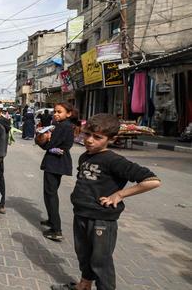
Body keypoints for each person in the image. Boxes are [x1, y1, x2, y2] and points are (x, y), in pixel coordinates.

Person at [51, 114, 161, 290]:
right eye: (87, 134)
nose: (89, 140)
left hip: (101, 220)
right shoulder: (85, 157)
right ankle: (84, 285)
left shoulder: (114, 160)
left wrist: (120, 195)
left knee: (100, 262)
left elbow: (152, 181)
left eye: (97, 137)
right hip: (81, 214)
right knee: (84, 255)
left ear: (112, 139)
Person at [36, 102, 78, 242]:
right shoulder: (63, 126)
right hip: (56, 162)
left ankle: (56, 229)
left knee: (50, 195)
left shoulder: (63, 126)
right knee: (50, 193)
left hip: (55, 163)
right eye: (55, 111)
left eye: (59, 112)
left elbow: (48, 145)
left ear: (69, 113)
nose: (56, 114)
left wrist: (44, 139)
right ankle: (51, 221)